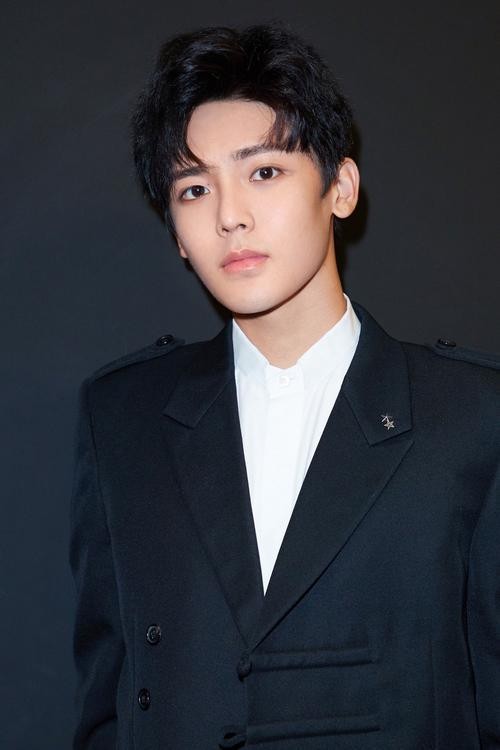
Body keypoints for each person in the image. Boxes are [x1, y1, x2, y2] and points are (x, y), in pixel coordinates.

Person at [69, 22, 500, 750]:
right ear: (176, 233)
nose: (229, 216)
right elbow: (108, 701)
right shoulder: (123, 417)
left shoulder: (472, 417)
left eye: (264, 172)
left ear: (341, 188)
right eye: (194, 188)